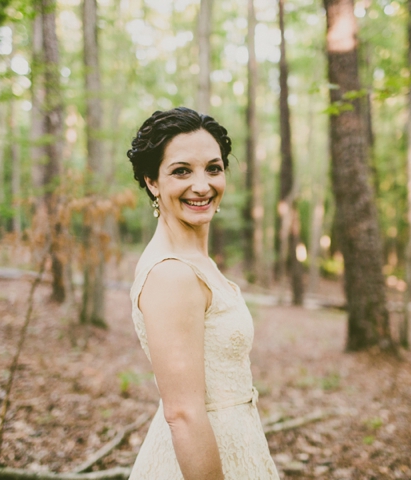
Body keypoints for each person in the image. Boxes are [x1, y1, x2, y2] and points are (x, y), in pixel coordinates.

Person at [126, 107, 280, 480]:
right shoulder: (171, 274)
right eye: (182, 171)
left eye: (213, 168)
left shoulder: (194, 258)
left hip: (236, 442)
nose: (202, 185)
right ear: (152, 181)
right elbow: (183, 413)